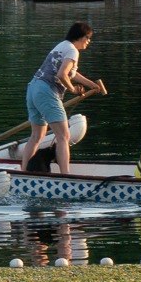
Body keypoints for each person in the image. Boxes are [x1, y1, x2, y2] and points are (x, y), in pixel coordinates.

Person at [22, 22, 104, 176]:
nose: (89, 41)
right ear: (80, 36)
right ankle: (65, 176)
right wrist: (73, 89)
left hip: (33, 88)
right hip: (47, 91)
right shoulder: (73, 51)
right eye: (88, 37)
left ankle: (23, 173)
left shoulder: (63, 45)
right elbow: (62, 75)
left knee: (36, 136)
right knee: (64, 136)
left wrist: (91, 84)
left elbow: (71, 73)